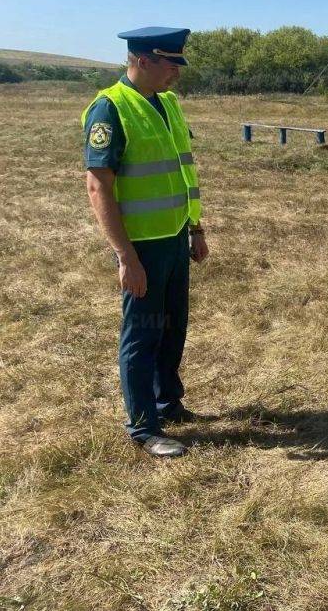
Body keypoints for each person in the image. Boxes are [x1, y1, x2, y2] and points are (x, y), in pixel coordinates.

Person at [82, 27, 206, 458]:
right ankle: (143, 426)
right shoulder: (110, 109)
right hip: (142, 248)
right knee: (142, 335)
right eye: (171, 62)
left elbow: (182, 173)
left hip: (174, 238)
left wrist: (195, 228)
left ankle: (167, 402)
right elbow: (99, 187)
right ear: (142, 59)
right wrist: (125, 256)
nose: (176, 72)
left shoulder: (168, 103)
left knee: (172, 328)